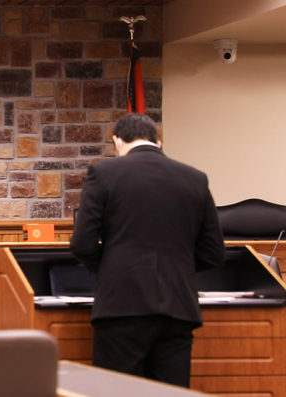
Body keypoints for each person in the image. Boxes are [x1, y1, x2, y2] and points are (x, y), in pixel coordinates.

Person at [69, 113, 225, 387]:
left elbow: (83, 243)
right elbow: (213, 251)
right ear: (158, 141)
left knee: (117, 392)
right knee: (171, 392)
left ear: (118, 141)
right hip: (178, 306)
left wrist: (108, 268)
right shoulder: (195, 179)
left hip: (122, 304)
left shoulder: (104, 174)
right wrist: (179, 269)